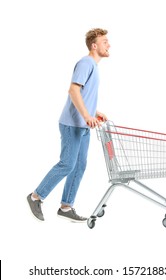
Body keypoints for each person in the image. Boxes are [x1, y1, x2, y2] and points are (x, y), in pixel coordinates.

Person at [27, 28, 110, 222]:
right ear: (94, 45)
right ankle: (35, 196)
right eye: (105, 42)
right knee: (67, 164)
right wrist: (86, 116)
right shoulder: (86, 63)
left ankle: (66, 207)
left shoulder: (93, 66)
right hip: (72, 124)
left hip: (82, 126)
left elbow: (82, 95)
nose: (109, 45)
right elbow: (73, 90)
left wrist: (94, 113)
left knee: (79, 166)